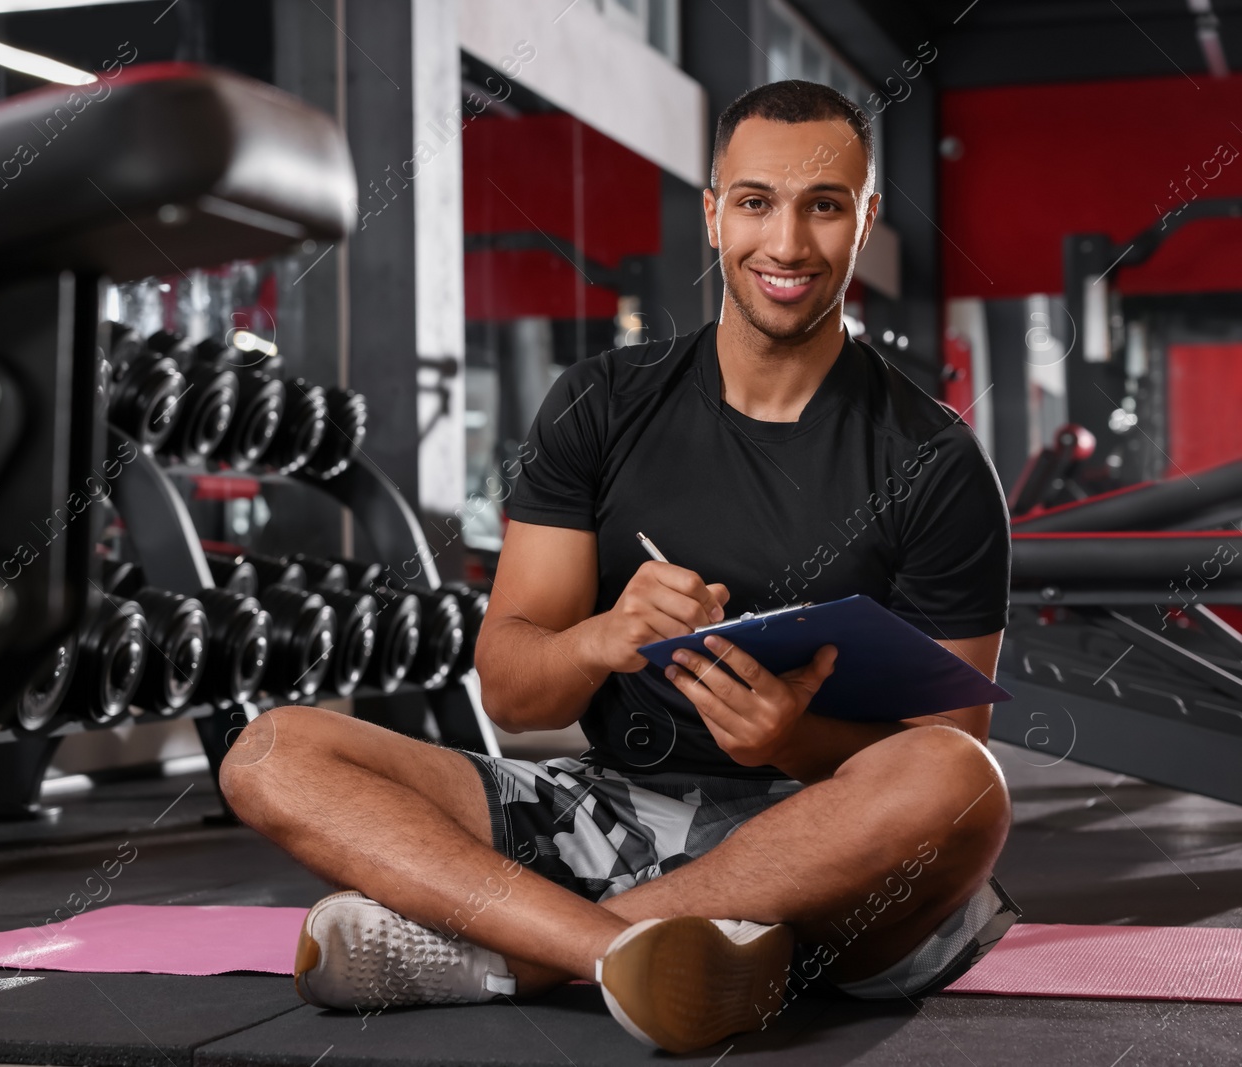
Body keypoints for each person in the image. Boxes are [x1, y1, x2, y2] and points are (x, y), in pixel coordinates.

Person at [218, 79, 1017, 1053]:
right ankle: (636, 950)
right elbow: (513, 695)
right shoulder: (599, 401)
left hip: (828, 832)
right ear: (714, 212)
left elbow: (946, 745)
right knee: (272, 750)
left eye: (824, 205)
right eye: (758, 202)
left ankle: (509, 953)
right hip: (607, 816)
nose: (789, 244)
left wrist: (792, 740)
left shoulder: (934, 461)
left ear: (865, 217)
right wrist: (602, 637)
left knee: (959, 779)